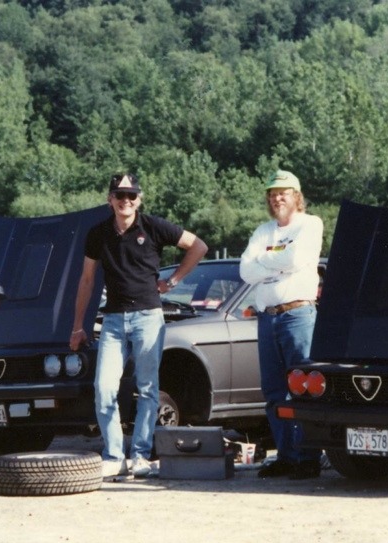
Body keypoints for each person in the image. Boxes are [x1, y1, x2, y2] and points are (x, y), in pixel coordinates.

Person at [70, 174, 207, 478]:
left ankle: (141, 455)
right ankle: (114, 455)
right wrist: (78, 325)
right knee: (104, 388)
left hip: (148, 317)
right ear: (110, 200)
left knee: (148, 389)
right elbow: (87, 280)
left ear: (139, 200)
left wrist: (173, 281)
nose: (125, 201)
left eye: (131, 196)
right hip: (113, 320)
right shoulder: (98, 233)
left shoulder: (154, 226)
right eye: (120, 195)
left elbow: (198, 246)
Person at [240, 170, 324, 480]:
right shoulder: (263, 230)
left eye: (284, 193)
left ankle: (308, 457)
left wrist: (265, 262)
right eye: (273, 193)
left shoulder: (310, 224)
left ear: (296, 196)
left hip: (297, 316)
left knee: (303, 388)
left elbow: (295, 259)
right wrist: (274, 262)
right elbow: (245, 271)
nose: (277, 198)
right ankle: (286, 456)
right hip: (267, 316)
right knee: (274, 391)